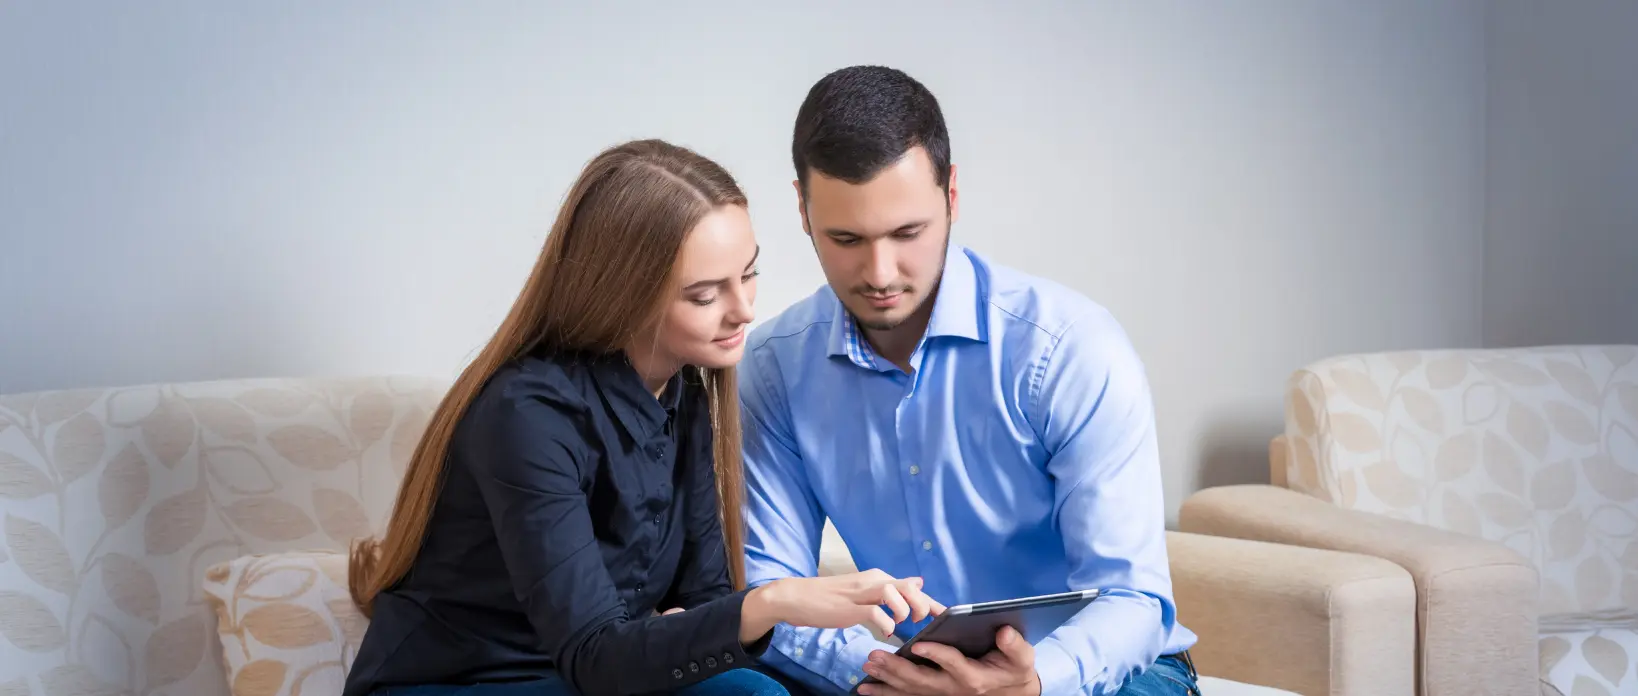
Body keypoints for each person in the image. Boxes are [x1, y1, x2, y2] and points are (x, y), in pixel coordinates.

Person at [341, 139, 941, 696]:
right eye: (705, 294)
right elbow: (597, 655)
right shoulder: (526, 415)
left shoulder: (686, 392)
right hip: (460, 683)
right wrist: (775, 601)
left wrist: (699, 628)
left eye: (749, 273)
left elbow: (703, 601)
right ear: (624, 294)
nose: (743, 310)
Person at [738, 67, 1201, 696]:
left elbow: (1132, 599)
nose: (880, 272)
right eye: (846, 238)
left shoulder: (1069, 351)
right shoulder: (774, 368)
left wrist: (1034, 684)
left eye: (908, 233)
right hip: (900, 675)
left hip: (1096, 678)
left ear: (951, 194)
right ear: (802, 209)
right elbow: (773, 594)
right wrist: (897, 678)